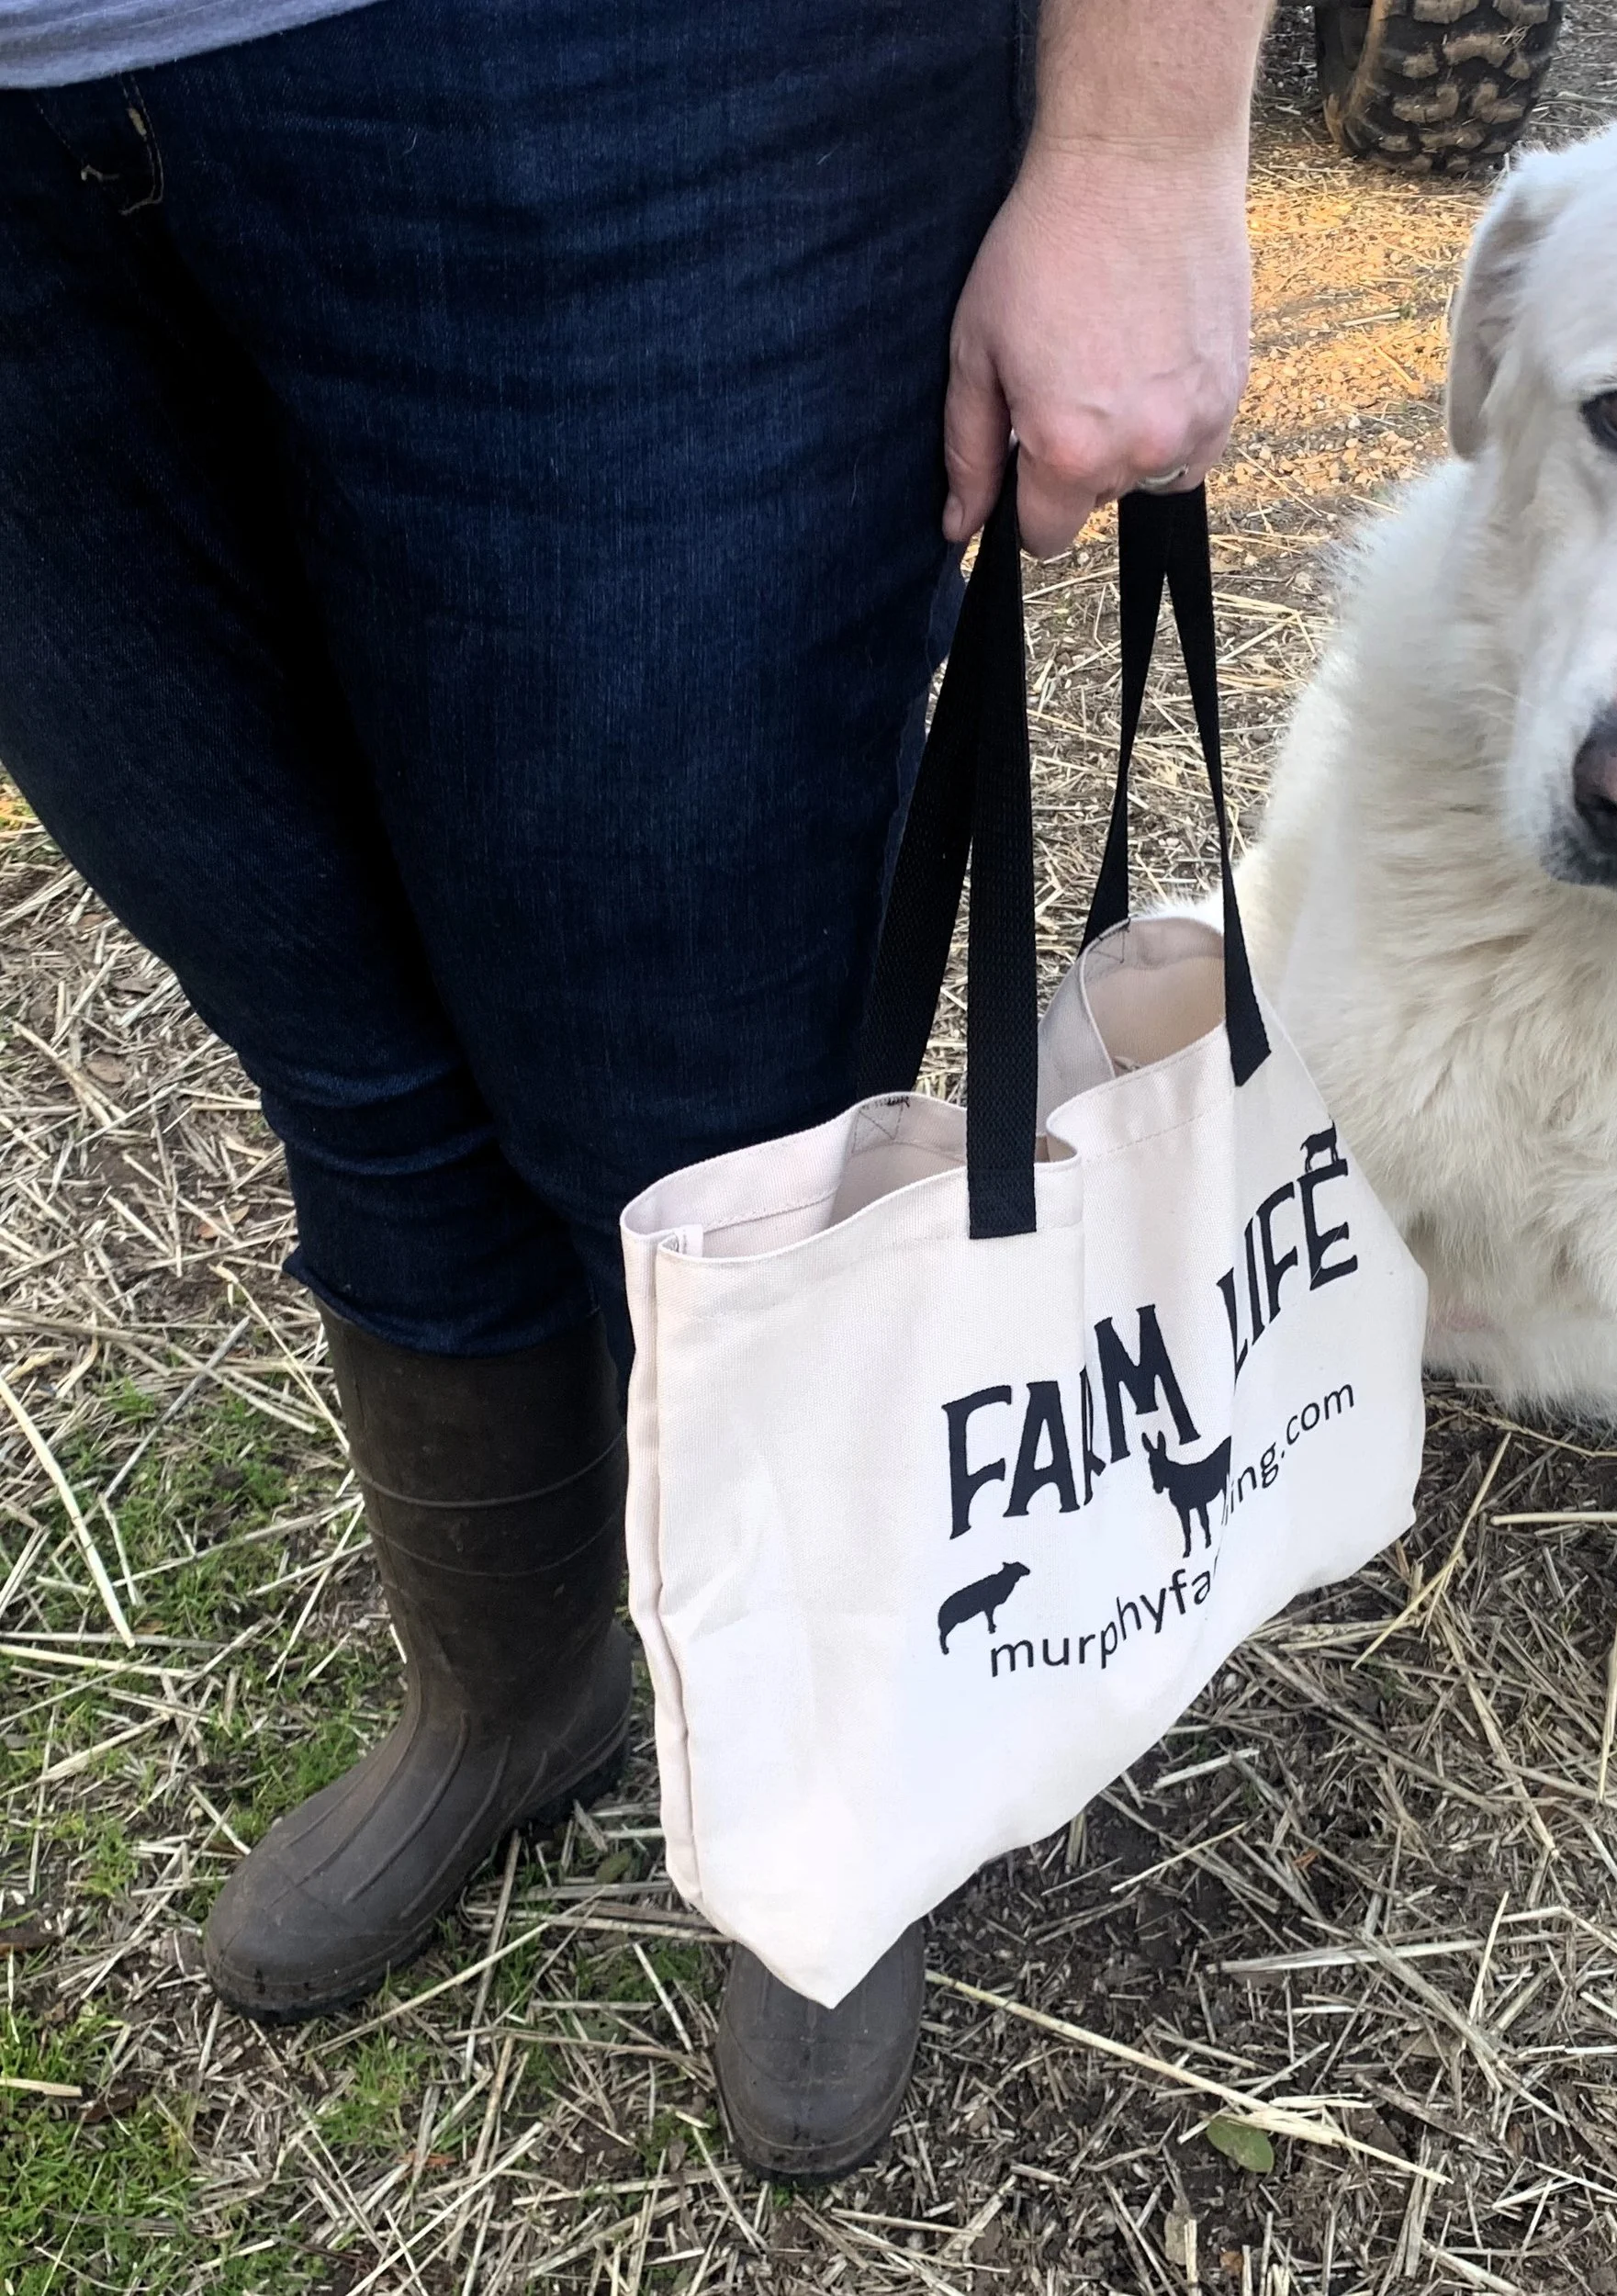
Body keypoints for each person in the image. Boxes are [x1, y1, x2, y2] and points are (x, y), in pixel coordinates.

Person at [0, 0, 1263, 2180]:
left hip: (651, 79)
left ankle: (815, 1791)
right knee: (345, 1038)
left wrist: (1146, 137)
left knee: (717, 1101)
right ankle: (514, 1695)